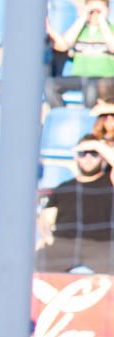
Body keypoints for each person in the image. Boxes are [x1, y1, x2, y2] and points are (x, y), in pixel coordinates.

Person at [37, 134, 114, 274]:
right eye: (83, 154)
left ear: (102, 156)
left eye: (94, 154)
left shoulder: (110, 183)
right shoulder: (64, 188)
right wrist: (46, 237)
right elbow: (46, 219)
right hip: (64, 243)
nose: (88, 158)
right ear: (76, 157)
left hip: (101, 245)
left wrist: (98, 145)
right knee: (32, 266)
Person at [45, 0, 114, 109]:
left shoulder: (110, 30)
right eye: (92, 10)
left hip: (105, 78)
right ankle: (61, 116)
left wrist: (102, 21)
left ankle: (90, 122)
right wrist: (82, 18)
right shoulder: (79, 30)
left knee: (91, 87)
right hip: (80, 77)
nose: (95, 14)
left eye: (98, 11)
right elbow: (63, 45)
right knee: (50, 85)